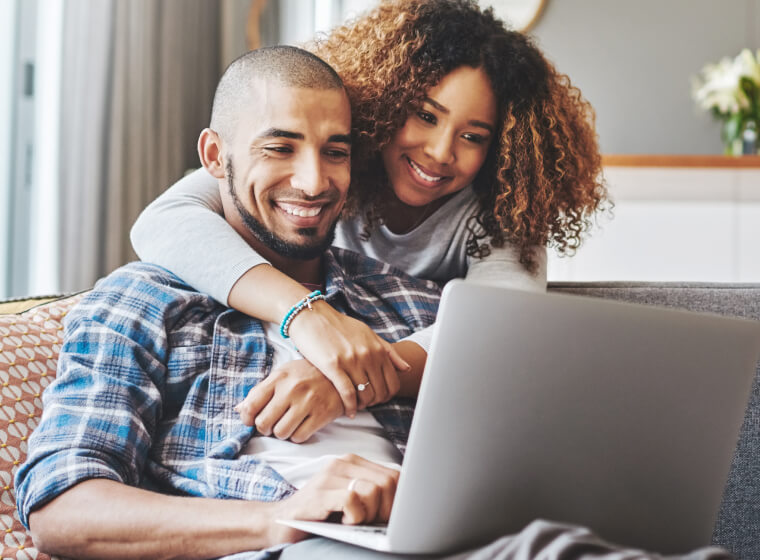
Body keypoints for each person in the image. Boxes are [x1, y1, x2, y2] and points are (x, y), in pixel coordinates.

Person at [15, 45, 441, 559]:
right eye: (279, 149)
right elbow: (62, 510)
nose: (313, 182)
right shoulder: (144, 301)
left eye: (335, 151)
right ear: (215, 157)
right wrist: (285, 518)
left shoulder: (407, 299)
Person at [130, 0, 610, 420]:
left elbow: (504, 326)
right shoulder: (327, 163)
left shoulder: (503, 211)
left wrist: (354, 378)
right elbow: (162, 222)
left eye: (473, 137)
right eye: (425, 116)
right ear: (386, 100)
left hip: (406, 401)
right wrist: (304, 313)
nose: (442, 152)